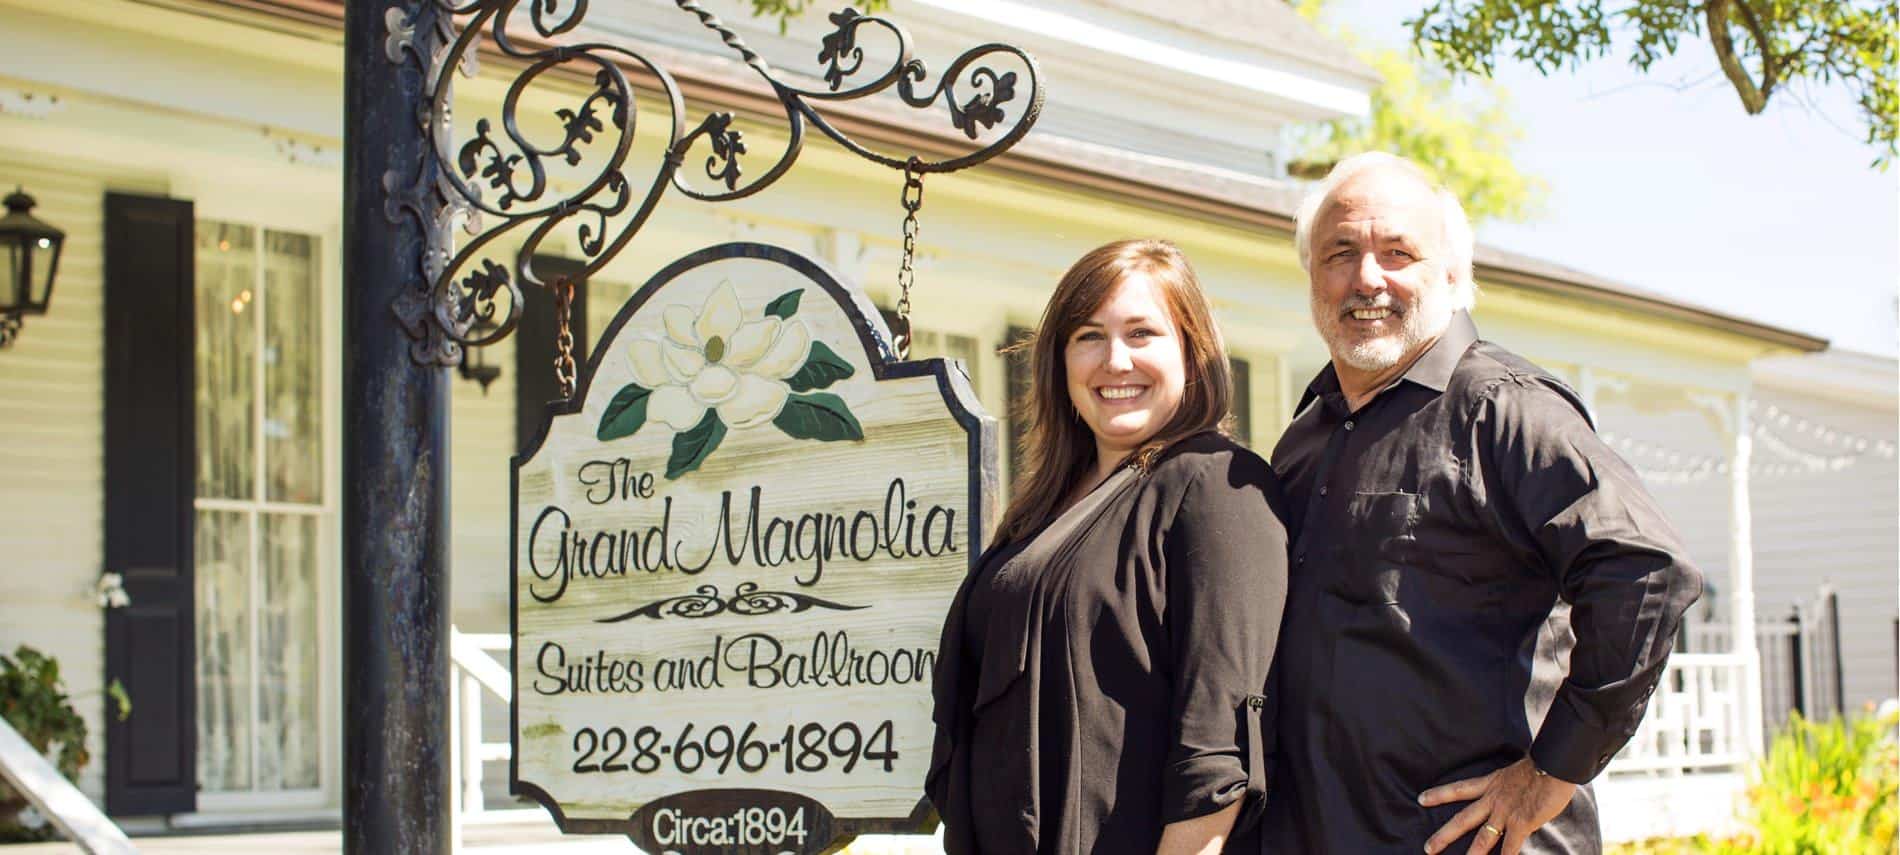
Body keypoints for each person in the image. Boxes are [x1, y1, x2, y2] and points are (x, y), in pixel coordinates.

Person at [1262, 152, 1703, 855]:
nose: (1366, 277)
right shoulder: (1304, 438)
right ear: (1311, 274)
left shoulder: (1503, 409)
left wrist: (1552, 770)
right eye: (1339, 252)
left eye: (1397, 252)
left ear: (1452, 275)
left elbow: (1645, 568)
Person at [926, 239, 1290, 854]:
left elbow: (1216, 757)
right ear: (1061, 363)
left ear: (1193, 356)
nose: (1115, 360)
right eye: (1089, 336)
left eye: (1142, 333)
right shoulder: (1043, 509)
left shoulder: (1219, 487)